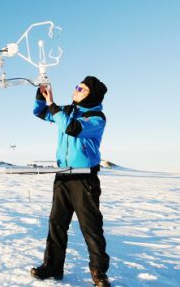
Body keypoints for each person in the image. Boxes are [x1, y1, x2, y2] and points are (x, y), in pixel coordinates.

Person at [30, 76, 111, 287]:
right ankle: (52, 266)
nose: (75, 89)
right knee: (56, 224)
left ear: (91, 95)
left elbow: (72, 128)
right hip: (63, 176)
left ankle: (98, 272)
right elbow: (40, 113)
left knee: (91, 228)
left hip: (84, 179)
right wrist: (42, 95)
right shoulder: (66, 111)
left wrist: (52, 105)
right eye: (76, 86)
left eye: (81, 89)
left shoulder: (96, 117)